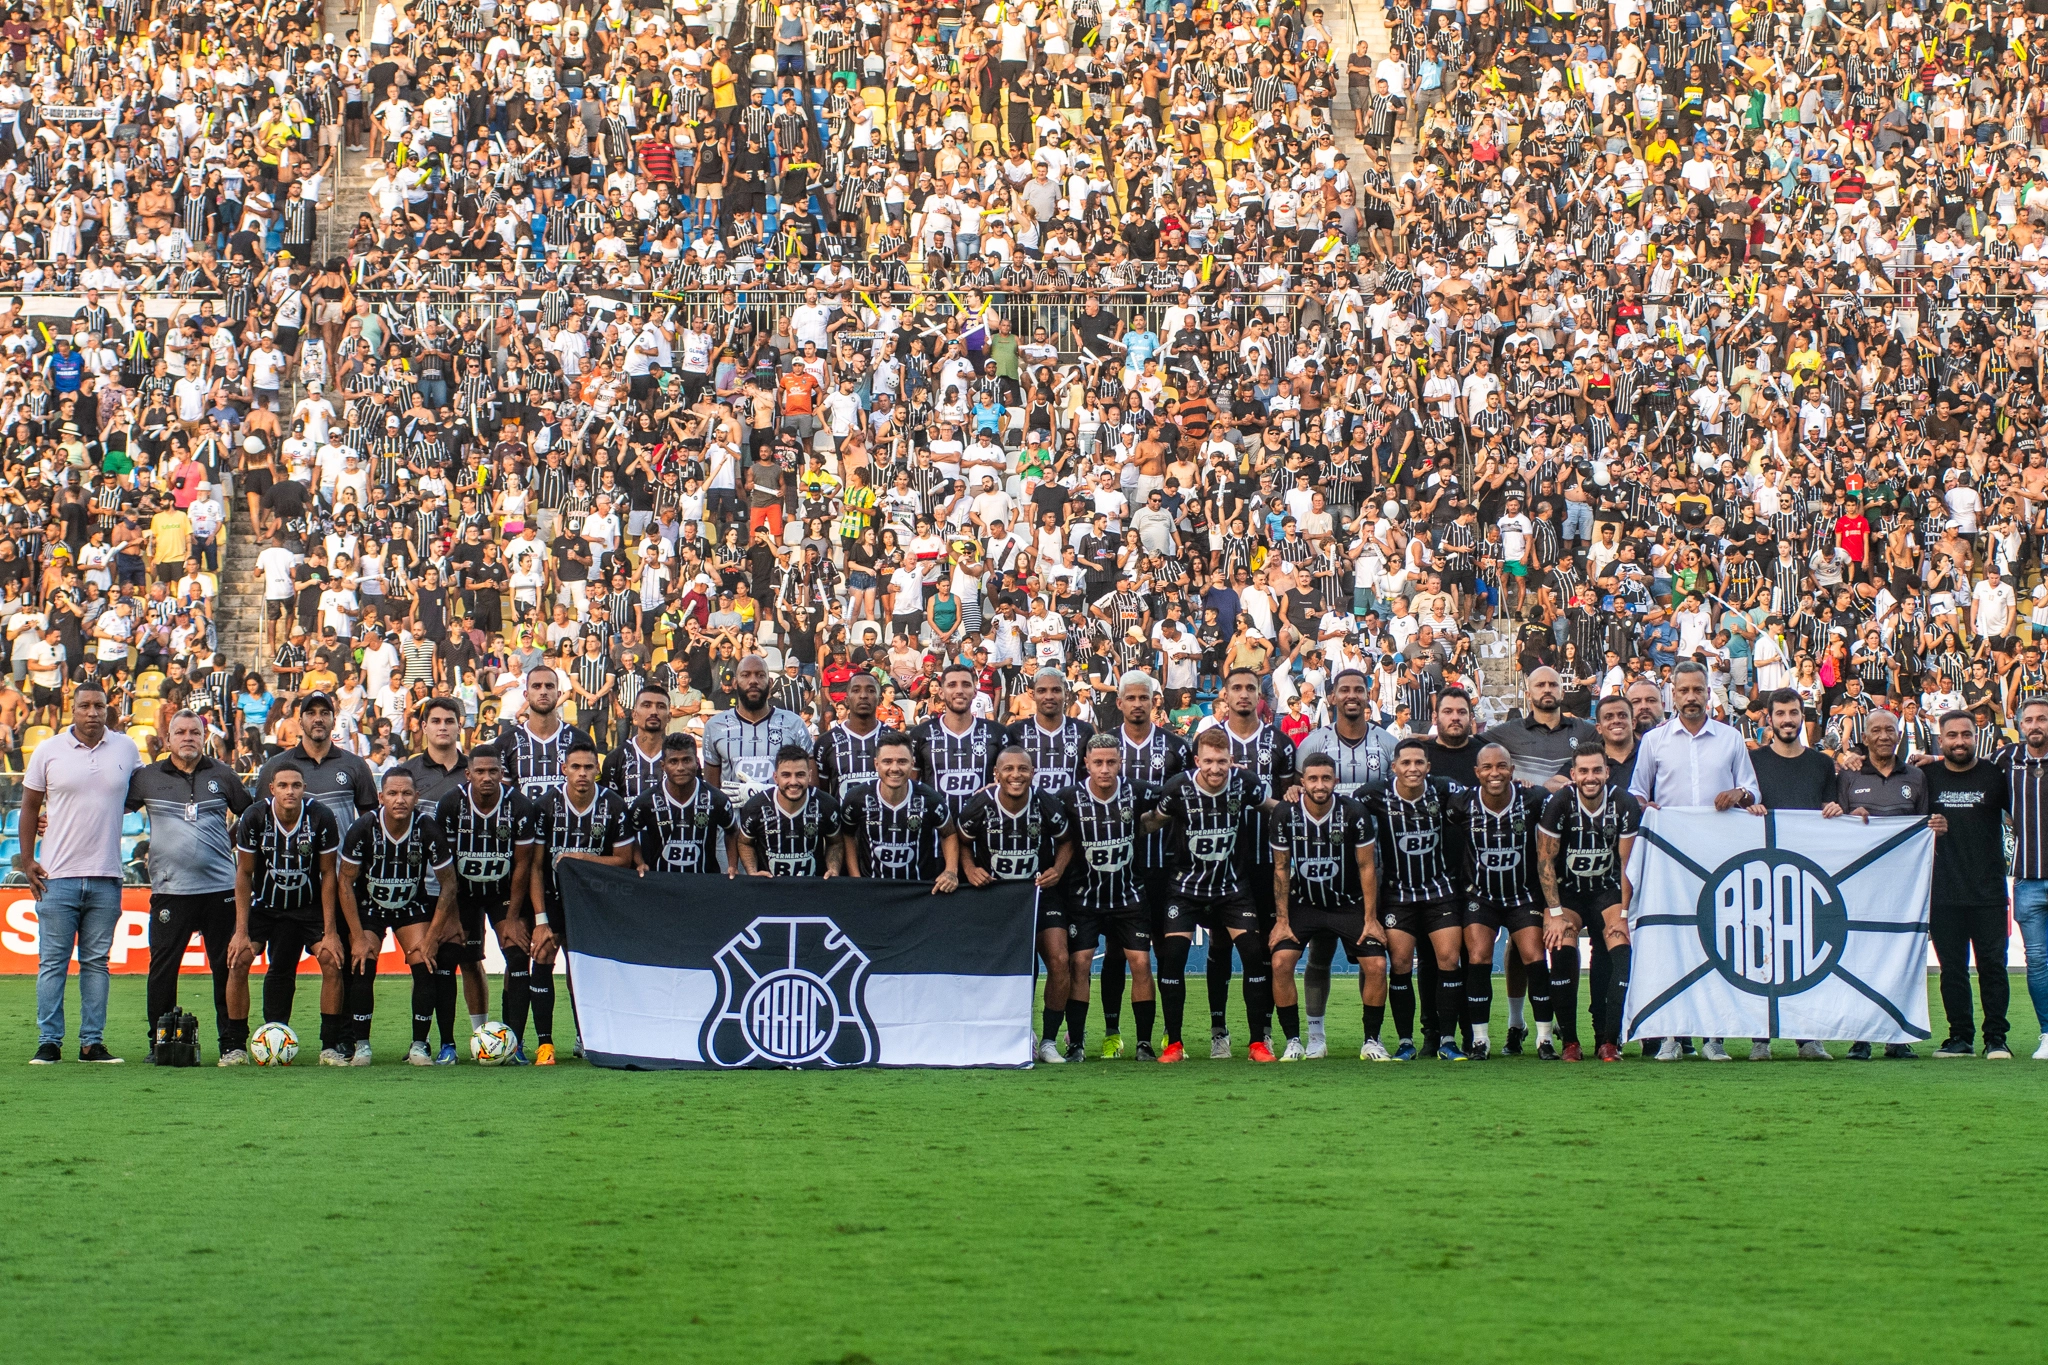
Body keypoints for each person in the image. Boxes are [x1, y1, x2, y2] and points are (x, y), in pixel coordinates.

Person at [1627, 660, 1761, 1065]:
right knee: (1673, 947)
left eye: (1697, 690)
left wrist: (1738, 794)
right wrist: (1648, 807)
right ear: (1673, 694)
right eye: (1683, 691)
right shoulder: (1654, 741)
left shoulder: (1731, 738)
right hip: (1673, 863)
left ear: (1708, 693)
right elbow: (1636, 792)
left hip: (1720, 860)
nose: (1690, 698)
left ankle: (1714, 1037)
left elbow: (1753, 791)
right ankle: (1671, 1036)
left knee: (1718, 946)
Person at [1146, 726, 1285, 1064]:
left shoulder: (1244, 783)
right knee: (1174, 956)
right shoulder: (1177, 788)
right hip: (1186, 887)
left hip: (1232, 888)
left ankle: (1256, 1044)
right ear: (1196, 761)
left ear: (1231, 761)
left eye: (1222, 761)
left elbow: (1271, 807)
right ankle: (1174, 1044)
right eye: (1208, 761)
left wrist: (1304, 804)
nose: (1215, 768)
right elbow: (1151, 823)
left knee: (1253, 954)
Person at [254, 690, 379, 1061]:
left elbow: (372, 823)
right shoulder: (276, 766)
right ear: (300, 719)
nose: (318, 719)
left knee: (339, 961)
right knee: (282, 966)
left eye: (326, 712)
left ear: (334, 717)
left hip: (340, 882)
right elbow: (261, 822)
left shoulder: (354, 766)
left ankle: (340, 1039)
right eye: (311, 713)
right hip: (289, 884)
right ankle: (274, 1036)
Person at [22, 682, 142, 1064]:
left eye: (99, 706)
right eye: (85, 706)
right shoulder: (48, 749)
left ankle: (92, 1042)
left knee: (96, 963)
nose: (92, 712)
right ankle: (49, 1041)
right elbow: (28, 808)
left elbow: (140, 796)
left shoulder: (126, 748)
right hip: (57, 875)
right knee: (52, 962)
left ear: (109, 709)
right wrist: (27, 861)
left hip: (107, 875)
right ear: (71, 709)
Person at [127, 709, 254, 1062]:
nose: (187, 738)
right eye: (180, 732)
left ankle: (231, 1043)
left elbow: (252, 814)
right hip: (170, 890)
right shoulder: (147, 778)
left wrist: (230, 842)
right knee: (163, 968)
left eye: (194, 732)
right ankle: (160, 1041)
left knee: (226, 967)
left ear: (204, 737)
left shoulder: (222, 774)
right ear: (168, 739)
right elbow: (107, 812)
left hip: (220, 890)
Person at [1195, 667, 1299, 1056]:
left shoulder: (1279, 743)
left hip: (1267, 863)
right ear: (1223, 694)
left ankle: (1264, 1029)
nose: (1243, 694)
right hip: (1221, 863)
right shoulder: (1210, 739)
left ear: (1260, 695)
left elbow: (1288, 800)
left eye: (1250, 688)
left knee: (1264, 951)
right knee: (1220, 944)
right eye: (1236, 688)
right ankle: (1219, 1030)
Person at [336, 768, 461, 1068]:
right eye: (392, 793)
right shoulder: (363, 827)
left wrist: (431, 938)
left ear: (417, 797)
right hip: (370, 906)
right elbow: (344, 882)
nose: (400, 799)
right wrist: (355, 936)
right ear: (381, 797)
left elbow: (450, 883)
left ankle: (420, 1044)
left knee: (425, 962)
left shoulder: (427, 828)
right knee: (363, 962)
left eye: (406, 793)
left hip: (410, 904)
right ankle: (362, 1045)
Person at [957, 746, 1076, 1059]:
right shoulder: (979, 805)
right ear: (996, 774)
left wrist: (1058, 869)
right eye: (1008, 769)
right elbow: (961, 842)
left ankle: (1049, 1040)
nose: (1016, 775)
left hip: (1038, 892)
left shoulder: (1046, 803)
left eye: (1023, 769)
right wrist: (969, 869)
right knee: (1008, 968)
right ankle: (1017, 1032)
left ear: (1033, 772)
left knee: (1060, 960)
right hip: (996, 898)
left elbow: (1066, 841)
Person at [1095, 671, 1188, 1058]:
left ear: (1154, 702)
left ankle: (1170, 1034)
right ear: (1119, 703)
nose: (1137, 704)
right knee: (1117, 952)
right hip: (1121, 870)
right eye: (1129, 698)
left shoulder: (1175, 747)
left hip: (1165, 865)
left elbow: (1186, 805)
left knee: (1168, 952)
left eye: (1143, 698)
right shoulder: (1103, 745)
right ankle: (1113, 1034)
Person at [1748, 687, 1843, 1062]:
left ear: (1802, 718)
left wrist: (1834, 809)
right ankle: (1761, 1037)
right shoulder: (1753, 761)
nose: (1788, 720)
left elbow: (1830, 805)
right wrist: (1749, 808)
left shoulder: (1821, 764)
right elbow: (1743, 800)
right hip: (1763, 872)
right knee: (1761, 953)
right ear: (1768, 719)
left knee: (1804, 955)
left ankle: (1808, 1036)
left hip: (1808, 876)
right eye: (1781, 713)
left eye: (1794, 713)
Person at [1269, 751, 1384, 1061]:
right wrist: (1282, 919)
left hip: (1347, 904)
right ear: (1302, 782)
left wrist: (1370, 918)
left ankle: (1372, 1040)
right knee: (1280, 963)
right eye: (1313, 779)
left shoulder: (1354, 812)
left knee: (1376, 965)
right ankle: (1300, 1039)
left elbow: (1366, 867)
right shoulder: (1285, 813)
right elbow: (1281, 869)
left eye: (1326, 778)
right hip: (1304, 903)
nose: (1320, 785)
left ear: (1336, 780)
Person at [526, 741, 636, 1063]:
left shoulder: (613, 806)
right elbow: (533, 866)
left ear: (597, 771)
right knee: (543, 954)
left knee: (582, 970)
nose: (582, 773)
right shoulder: (545, 806)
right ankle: (545, 1044)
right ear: (564, 770)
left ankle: (583, 1036)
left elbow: (624, 860)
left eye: (589, 767)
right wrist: (541, 919)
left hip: (592, 902)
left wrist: (581, 859)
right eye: (575, 767)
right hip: (553, 897)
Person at [227, 761, 345, 1061]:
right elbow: (244, 874)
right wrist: (240, 931)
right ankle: (236, 1046)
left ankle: (330, 1046)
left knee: (332, 961)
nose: (289, 791)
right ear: (271, 789)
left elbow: (329, 874)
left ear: (304, 788)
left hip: (308, 906)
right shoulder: (254, 817)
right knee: (238, 960)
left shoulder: (321, 816)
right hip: (265, 906)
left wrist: (331, 932)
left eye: (296, 785)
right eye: (283, 786)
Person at [434, 743, 541, 1063]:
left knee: (519, 956)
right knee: (448, 957)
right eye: (479, 771)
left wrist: (510, 917)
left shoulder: (519, 806)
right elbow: (446, 867)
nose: (486, 777)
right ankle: (448, 1045)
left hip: (503, 892)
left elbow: (523, 865)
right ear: (467, 775)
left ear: (502, 774)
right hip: (462, 893)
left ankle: (515, 1044)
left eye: (493, 771)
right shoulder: (451, 804)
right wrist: (451, 915)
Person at [1366, 738, 1472, 1061]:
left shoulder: (1442, 789)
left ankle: (1447, 1041)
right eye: (1406, 763)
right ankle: (1405, 1041)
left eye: (1419, 763)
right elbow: (1341, 803)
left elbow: (1479, 797)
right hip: (1398, 895)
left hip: (1439, 892)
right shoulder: (1376, 794)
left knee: (1448, 961)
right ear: (1394, 767)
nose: (1413, 769)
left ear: (1428, 766)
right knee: (1399, 964)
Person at [1060, 734, 1163, 1062]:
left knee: (1142, 963)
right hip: (1085, 897)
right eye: (1098, 763)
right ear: (1086, 764)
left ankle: (1144, 1043)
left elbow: (1177, 795)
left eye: (1111, 762)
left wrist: (1151, 822)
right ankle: (1075, 1042)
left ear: (1121, 763)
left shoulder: (1136, 790)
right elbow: (1032, 804)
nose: (1105, 769)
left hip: (1129, 896)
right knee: (1079, 963)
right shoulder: (1068, 797)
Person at [1920, 711, 2013, 1061]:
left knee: (1993, 966)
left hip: (1989, 892)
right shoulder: (1926, 776)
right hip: (1942, 892)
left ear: (1977, 737)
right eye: (1952, 735)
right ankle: (1960, 1037)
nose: (1960, 741)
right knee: (1952, 970)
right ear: (1940, 740)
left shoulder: (1995, 776)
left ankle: (1996, 1039)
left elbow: (2022, 814)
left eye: (1966, 735)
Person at [1538, 750, 1642, 1062]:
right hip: (1568, 892)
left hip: (1607, 891)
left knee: (1619, 950)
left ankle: (1608, 1040)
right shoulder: (1561, 803)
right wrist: (1555, 914)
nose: (1590, 777)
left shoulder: (1623, 803)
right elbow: (1545, 861)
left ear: (1607, 772)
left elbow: (1627, 865)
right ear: (1573, 774)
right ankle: (1570, 1040)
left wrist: (1624, 915)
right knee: (1562, 947)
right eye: (1583, 771)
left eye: (1597, 770)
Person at [1461, 744, 1554, 1058]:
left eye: (1501, 766)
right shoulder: (1461, 803)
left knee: (1533, 956)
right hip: (1481, 896)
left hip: (1521, 895)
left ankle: (1544, 1038)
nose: (1494, 773)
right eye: (1487, 767)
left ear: (1513, 771)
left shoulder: (1534, 799)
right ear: (1477, 773)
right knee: (1478, 956)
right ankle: (1480, 1039)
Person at [842, 733, 959, 890]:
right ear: (876, 764)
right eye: (887, 762)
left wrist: (951, 871)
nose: (894, 768)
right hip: (872, 888)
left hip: (919, 889)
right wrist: (855, 877)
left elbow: (949, 833)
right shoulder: (857, 797)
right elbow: (847, 834)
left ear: (912, 763)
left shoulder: (930, 798)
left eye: (902, 761)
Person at [1999, 697, 2048, 1060]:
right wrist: (1932, 758)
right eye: (2029, 719)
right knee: (2039, 961)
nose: (2036, 725)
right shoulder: (2006, 760)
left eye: (2042, 719)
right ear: (2019, 725)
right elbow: (1964, 767)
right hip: (2028, 879)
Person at [703, 654, 816, 811]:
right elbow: (711, 791)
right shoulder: (715, 726)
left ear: (770, 683)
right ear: (735, 683)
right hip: (733, 827)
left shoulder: (794, 723)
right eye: (745, 675)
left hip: (780, 825)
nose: (753, 680)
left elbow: (812, 786)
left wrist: (768, 793)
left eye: (760, 675)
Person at [629, 732, 739, 875]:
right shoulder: (646, 801)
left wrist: (733, 865)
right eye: (673, 761)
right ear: (663, 766)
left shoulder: (716, 799)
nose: (680, 767)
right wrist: (640, 862)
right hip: (660, 883)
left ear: (697, 762)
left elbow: (732, 831)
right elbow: (629, 833)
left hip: (704, 883)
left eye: (686, 760)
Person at [910, 663, 1007, 820]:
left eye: (966, 685)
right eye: (952, 685)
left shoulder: (997, 732)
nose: (959, 691)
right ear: (941, 692)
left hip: (984, 826)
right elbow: (911, 785)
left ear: (975, 692)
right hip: (937, 829)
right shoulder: (920, 733)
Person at [736, 744, 846, 878]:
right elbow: (744, 842)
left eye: (800, 775)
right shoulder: (755, 807)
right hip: (769, 889)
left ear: (809, 776)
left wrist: (833, 869)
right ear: (775, 777)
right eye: (786, 775)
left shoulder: (826, 805)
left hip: (813, 889)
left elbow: (835, 842)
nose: (793, 782)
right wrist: (752, 872)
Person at [497, 665, 595, 802]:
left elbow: (593, 795)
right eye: (536, 686)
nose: (543, 692)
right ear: (526, 695)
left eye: (549, 686)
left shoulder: (581, 740)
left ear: (559, 694)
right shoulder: (505, 742)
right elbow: (501, 798)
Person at [1006, 668, 1092, 793]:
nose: (1049, 696)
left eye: (1056, 690)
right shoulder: (1015, 732)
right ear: (1033, 695)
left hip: (1072, 811)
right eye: (1042, 691)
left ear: (1066, 694)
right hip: (1031, 810)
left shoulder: (1084, 731)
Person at [815, 669, 886, 798]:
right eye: (856, 690)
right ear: (846, 700)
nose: (863, 696)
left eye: (870, 691)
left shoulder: (893, 739)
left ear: (879, 700)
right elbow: (822, 797)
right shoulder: (826, 742)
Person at [602, 684, 675, 803]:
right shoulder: (615, 758)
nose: (654, 712)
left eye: (661, 706)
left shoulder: (682, 756)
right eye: (646, 705)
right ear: (634, 714)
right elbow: (610, 808)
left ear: (669, 716)